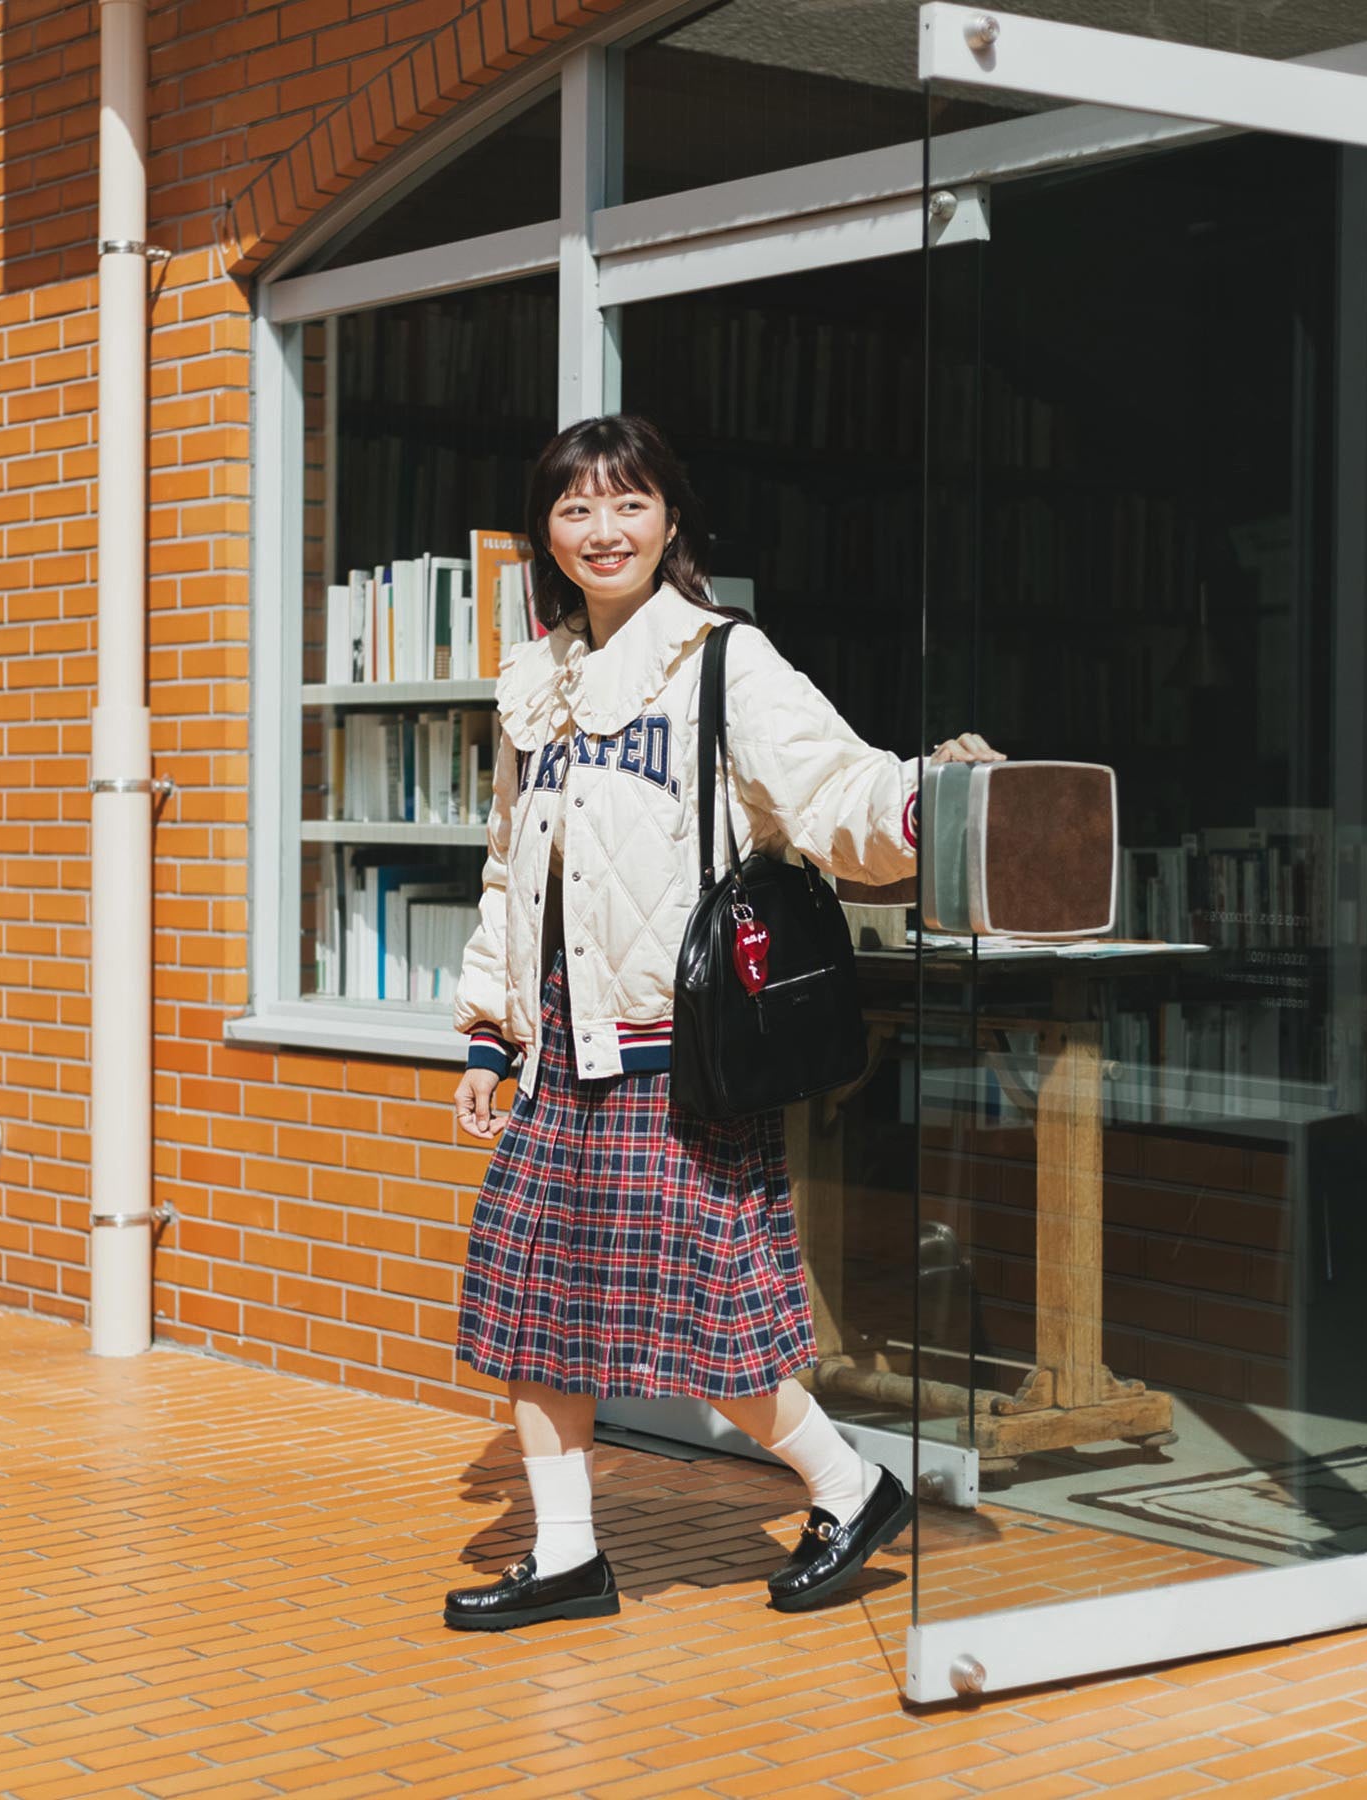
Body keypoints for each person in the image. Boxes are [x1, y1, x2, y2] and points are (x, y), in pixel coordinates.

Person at [445, 414, 1001, 1631]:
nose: (604, 529)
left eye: (629, 502)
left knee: (713, 1321)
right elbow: (508, 869)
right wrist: (491, 1030)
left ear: (670, 520)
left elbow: (835, 786)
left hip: (675, 1052)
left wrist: (931, 801)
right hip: (560, 1050)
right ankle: (567, 1557)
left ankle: (849, 1488)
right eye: (577, 507)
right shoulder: (534, 684)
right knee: (531, 1302)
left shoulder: (722, 661)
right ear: (547, 531)